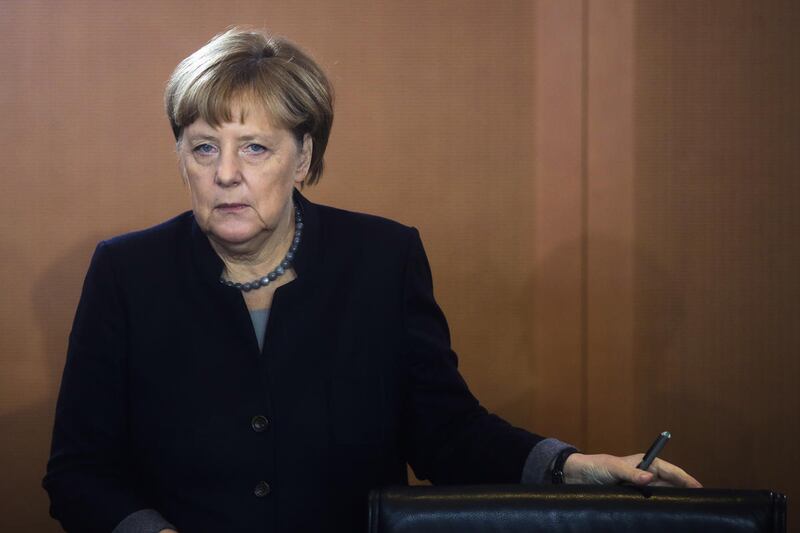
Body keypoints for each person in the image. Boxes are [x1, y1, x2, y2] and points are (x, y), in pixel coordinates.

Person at [43, 28, 700, 533]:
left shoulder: (383, 259)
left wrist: (570, 465)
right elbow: (78, 472)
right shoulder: (126, 272)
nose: (226, 173)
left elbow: (445, 432)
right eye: (204, 146)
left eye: (256, 147)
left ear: (303, 157)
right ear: (180, 157)